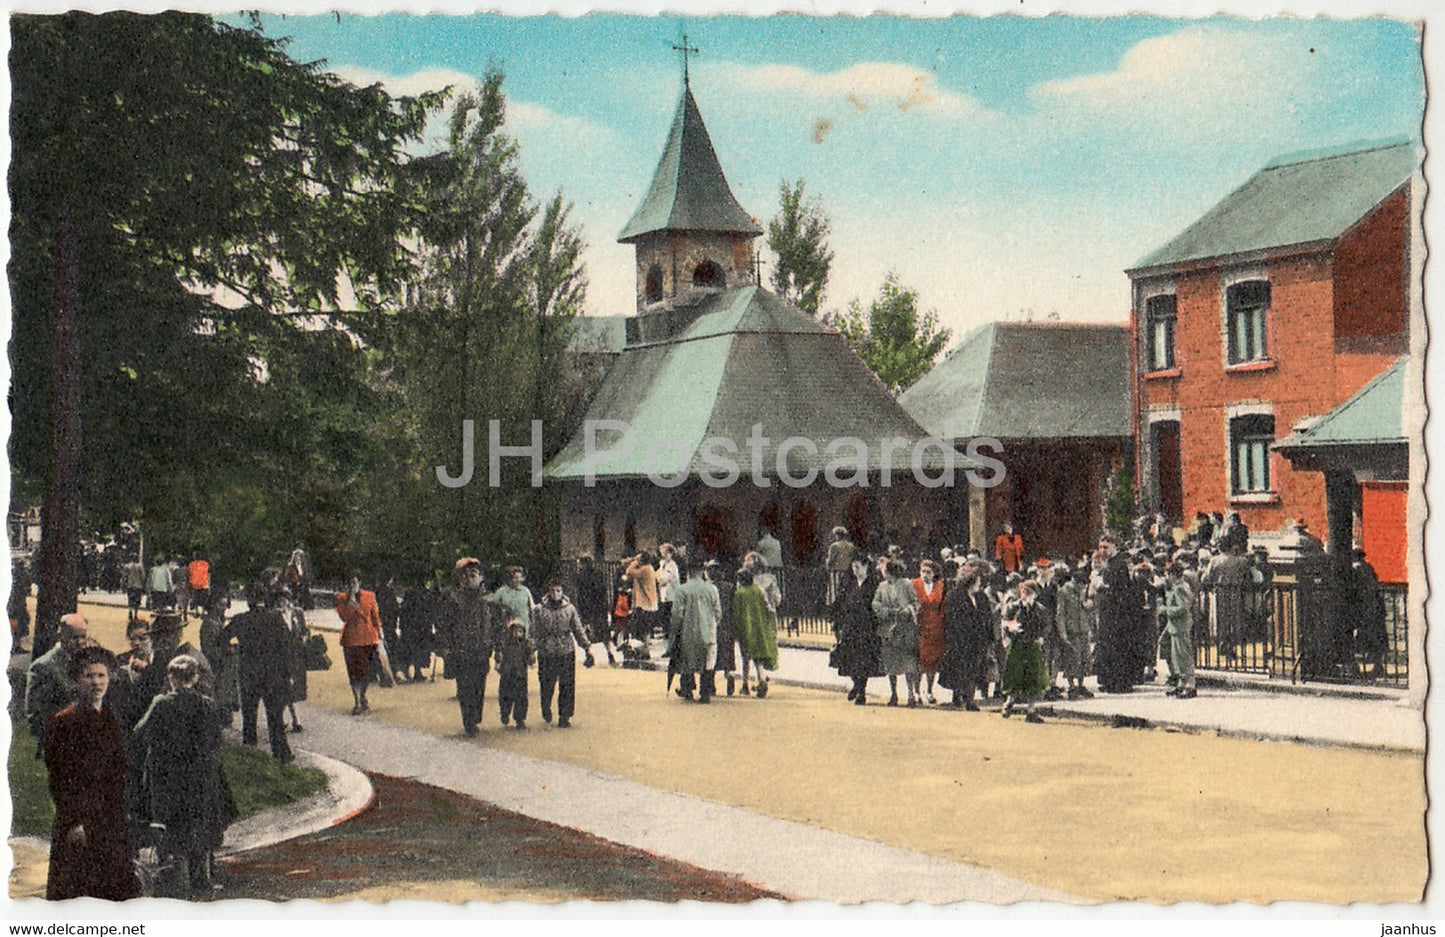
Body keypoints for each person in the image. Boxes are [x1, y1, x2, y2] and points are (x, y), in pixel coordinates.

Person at [43, 645, 140, 901]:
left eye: (101, 676)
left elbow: (120, 769)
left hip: (111, 817)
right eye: (89, 676)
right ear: (77, 680)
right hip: (80, 819)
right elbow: (60, 778)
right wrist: (75, 821)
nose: (96, 682)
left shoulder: (111, 718)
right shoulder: (64, 722)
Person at [132, 654, 229, 895]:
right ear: (195, 678)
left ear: (171, 678)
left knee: (175, 827)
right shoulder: (206, 704)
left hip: (169, 776)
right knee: (200, 824)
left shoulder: (161, 703)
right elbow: (216, 739)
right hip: (199, 777)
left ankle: (181, 881)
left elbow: (139, 733)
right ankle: (203, 881)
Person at [220, 585, 294, 762]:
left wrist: (233, 650)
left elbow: (222, 639)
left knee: (249, 716)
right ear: (264, 598)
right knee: (275, 717)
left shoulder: (241, 619)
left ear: (248, 600)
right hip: (272, 674)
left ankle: (250, 752)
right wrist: (286, 673)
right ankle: (281, 754)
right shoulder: (275, 618)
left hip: (249, 673)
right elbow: (287, 646)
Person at [441, 558, 497, 736]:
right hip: (461, 649)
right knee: (465, 686)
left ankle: (475, 716)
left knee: (479, 684)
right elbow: (445, 624)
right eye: (466, 575)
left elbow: (495, 624)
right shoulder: (454, 599)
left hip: (482, 648)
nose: (470, 578)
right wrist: (446, 646)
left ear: (480, 577)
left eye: (474, 574)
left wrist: (495, 644)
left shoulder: (487, 599)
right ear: (460, 578)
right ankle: (469, 721)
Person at [25, 613, 91, 752]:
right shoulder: (43, 666)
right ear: (62, 635)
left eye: (83, 637)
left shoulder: (87, 662)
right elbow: (36, 715)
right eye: (74, 637)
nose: (80, 643)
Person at [533, 581, 594, 727]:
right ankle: (546, 707)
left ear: (562, 592)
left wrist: (586, 647)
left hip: (565, 648)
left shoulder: (569, 609)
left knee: (567, 684)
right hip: (547, 650)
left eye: (558, 590)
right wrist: (532, 648)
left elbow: (577, 629)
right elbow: (535, 631)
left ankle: (565, 715)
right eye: (552, 590)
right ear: (548, 592)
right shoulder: (540, 609)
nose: (555, 593)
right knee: (546, 683)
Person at [939, 561, 994, 710]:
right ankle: (958, 695)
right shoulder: (955, 596)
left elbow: (987, 617)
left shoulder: (981, 597)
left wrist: (989, 638)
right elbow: (950, 618)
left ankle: (969, 699)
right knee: (960, 669)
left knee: (973, 670)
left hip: (977, 641)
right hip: (960, 639)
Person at [670, 553, 722, 703]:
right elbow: (718, 612)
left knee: (687, 661)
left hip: (688, 632)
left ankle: (687, 689)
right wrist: (713, 623)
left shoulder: (682, 590)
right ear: (703, 570)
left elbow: (677, 614)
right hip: (708, 631)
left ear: (688, 571)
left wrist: (675, 631)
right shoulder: (712, 589)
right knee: (708, 662)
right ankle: (705, 691)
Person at [830, 556, 881, 705]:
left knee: (863, 660)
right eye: (853, 567)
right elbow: (840, 602)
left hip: (866, 628)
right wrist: (836, 620)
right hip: (850, 626)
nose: (855, 570)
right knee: (851, 659)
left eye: (858, 567)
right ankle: (856, 684)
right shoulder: (849, 584)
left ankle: (861, 691)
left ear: (866, 567)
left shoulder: (873, 584)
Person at [1092, 535, 1140, 693]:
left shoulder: (1119, 564)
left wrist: (1102, 587)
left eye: (1105, 547)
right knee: (1109, 648)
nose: (1102, 550)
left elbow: (1120, 589)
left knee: (1118, 648)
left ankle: (1120, 682)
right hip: (1109, 614)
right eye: (1100, 547)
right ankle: (1110, 681)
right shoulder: (1110, 563)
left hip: (1118, 614)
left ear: (1113, 546)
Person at [1001, 580, 1051, 723]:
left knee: (1034, 678)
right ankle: (1008, 703)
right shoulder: (1013, 607)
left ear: (1035, 594)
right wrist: (1010, 629)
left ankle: (1031, 710)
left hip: (1032, 646)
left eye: (1029, 592)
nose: (1025, 594)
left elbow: (1046, 626)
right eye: (1023, 591)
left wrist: (1041, 637)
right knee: (1014, 676)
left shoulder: (1040, 609)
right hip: (1017, 645)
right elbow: (1004, 622)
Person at [873, 558, 921, 706]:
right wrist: (885, 611)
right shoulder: (882, 586)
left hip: (904, 628)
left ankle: (911, 694)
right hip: (888, 628)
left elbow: (915, 602)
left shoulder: (906, 584)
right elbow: (875, 603)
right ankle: (894, 694)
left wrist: (907, 611)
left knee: (908, 663)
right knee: (891, 663)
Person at [335, 574, 382, 716]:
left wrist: (379, 632)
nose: (352, 586)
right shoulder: (341, 598)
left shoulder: (369, 596)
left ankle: (363, 695)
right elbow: (344, 617)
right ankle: (357, 701)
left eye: (354, 583)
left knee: (367, 672)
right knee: (353, 672)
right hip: (351, 640)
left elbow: (374, 616)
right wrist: (351, 602)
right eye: (349, 584)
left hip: (368, 638)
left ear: (359, 583)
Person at [731, 568, 778, 698]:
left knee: (745, 659)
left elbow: (736, 613)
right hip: (759, 628)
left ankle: (745, 685)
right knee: (758, 658)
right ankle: (761, 680)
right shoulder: (759, 590)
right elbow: (769, 609)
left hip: (745, 629)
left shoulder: (739, 593)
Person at [1158, 563, 1197, 698]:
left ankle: (1189, 684)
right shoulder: (1178, 587)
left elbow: (1182, 608)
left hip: (1180, 625)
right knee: (1176, 655)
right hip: (1175, 626)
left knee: (1183, 655)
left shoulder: (1180, 589)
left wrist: (1164, 610)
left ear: (1173, 575)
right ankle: (1181, 683)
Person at [1053, 569, 1093, 700]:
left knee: (1084, 658)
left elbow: (1087, 610)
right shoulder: (1064, 591)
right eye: (1082, 585)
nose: (1083, 588)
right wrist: (1063, 633)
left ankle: (1081, 685)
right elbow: (1060, 614)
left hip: (1083, 629)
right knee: (1072, 659)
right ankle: (1071, 686)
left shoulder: (1082, 592)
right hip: (1072, 631)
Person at [1349, 548, 1389, 679]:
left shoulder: (1356, 569)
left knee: (1360, 639)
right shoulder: (1368, 567)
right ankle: (1377, 666)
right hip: (1375, 609)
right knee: (1376, 638)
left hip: (1364, 610)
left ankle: (1356, 667)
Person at [912, 559, 946, 704]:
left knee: (932, 661)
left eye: (928, 572)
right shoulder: (914, 584)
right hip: (919, 625)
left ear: (934, 573)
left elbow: (942, 605)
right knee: (919, 660)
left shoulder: (939, 585)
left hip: (935, 626)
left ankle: (929, 690)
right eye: (923, 571)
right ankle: (916, 690)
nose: (925, 575)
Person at [573, 555, 615, 666]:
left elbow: (581, 596)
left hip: (588, 608)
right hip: (600, 607)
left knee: (586, 633)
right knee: (604, 632)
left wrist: (582, 611)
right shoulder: (599, 574)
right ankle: (609, 652)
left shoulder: (580, 576)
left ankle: (589, 654)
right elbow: (604, 591)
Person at [494, 619, 534, 729]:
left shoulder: (524, 642)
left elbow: (530, 656)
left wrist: (530, 657)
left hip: (520, 672)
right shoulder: (505, 642)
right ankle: (505, 714)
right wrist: (498, 661)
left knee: (521, 697)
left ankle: (519, 718)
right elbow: (499, 653)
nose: (516, 633)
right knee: (505, 695)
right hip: (507, 672)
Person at [623, 552, 659, 644]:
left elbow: (629, 571)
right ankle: (644, 647)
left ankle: (644, 649)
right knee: (644, 628)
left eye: (638, 559)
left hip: (645, 603)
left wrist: (634, 562)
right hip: (647, 602)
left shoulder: (644, 570)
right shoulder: (649, 568)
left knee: (642, 628)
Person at [492, 566, 537, 637]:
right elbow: (493, 607)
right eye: (515, 578)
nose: (518, 580)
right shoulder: (501, 592)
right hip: (507, 630)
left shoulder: (525, 591)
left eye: (520, 578)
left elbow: (532, 608)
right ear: (510, 578)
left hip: (524, 630)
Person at [825, 526, 856, 606]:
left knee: (835, 593)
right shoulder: (851, 546)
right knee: (845, 592)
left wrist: (828, 566)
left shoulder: (834, 546)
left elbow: (831, 560)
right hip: (847, 572)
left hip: (836, 572)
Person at [186, 551, 211, 621]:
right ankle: (203, 613)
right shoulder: (205, 564)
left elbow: (188, 574)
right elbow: (208, 574)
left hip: (194, 584)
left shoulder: (191, 564)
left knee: (196, 598)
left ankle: (197, 612)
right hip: (204, 584)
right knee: (204, 600)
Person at [121, 555, 146, 621]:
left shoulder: (127, 566)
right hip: (138, 586)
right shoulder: (140, 567)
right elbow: (143, 577)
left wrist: (124, 585)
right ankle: (135, 614)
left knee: (130, 600)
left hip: (130, 585)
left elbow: (124, 577)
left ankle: (130, 611)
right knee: (137, 601)